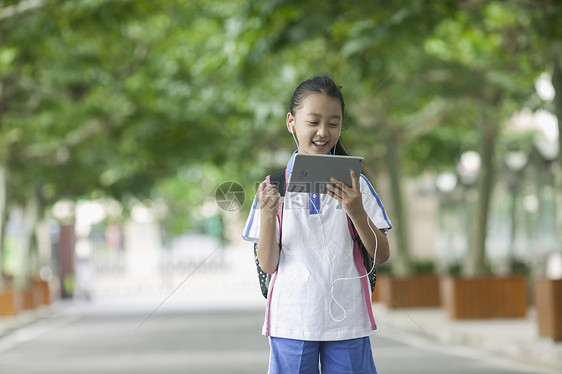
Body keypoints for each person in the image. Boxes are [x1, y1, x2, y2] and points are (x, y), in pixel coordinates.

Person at [242, 75, 392, 374]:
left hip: (348, 321)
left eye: (333, 123)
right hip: (292, 321)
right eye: (313, 122)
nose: (323, 132)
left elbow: (381, 254)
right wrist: (269, 216)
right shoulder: (273, 186)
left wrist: (356, 211)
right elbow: (269, 264)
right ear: (291, 122)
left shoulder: (356, 184)